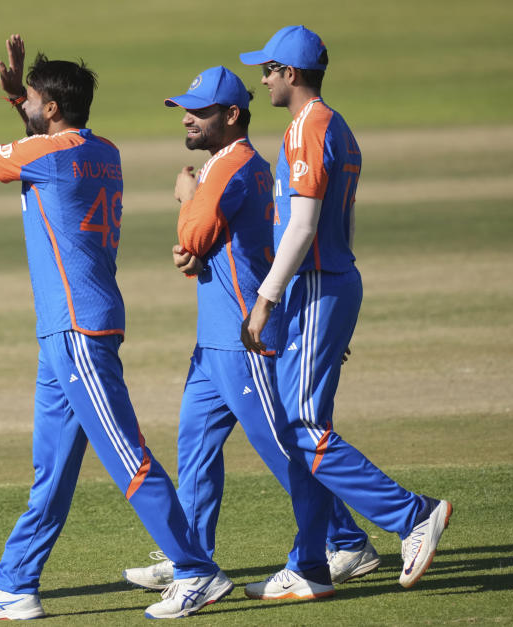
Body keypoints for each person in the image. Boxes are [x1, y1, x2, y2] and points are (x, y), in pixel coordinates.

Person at [0, 34, 232, 620]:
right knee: (54, 470)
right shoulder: (102, 151)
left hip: (78, 331)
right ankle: (16, 586)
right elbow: (46, 139)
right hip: (70, 329)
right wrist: (20, 96)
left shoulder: (45, 156)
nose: (30, 106)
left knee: (128, 458)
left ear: (53, 110)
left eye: (35, 99)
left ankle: (196, 571)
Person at [120, 66, 381, 593]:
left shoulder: (233, 165)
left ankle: (348, 541)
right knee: (195, 450)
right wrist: (197, 253)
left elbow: (195, 232)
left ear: (232, 116)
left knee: (287, 450)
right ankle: (191, 558)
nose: (189, 118)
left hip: (246, 342)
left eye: (201, 110)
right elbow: (225, 246)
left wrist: (186, 197)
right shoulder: (234, 165)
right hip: (213, 342)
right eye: (185, 109)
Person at [238, 25, 452, 600]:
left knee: (303, 429)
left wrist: (266, 300)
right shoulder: (337, 126)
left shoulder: (307, 130)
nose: (263, 80)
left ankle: (413, 515)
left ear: (292, 74)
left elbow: (303, 226)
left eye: (269, 70)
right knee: (302, 429)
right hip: (329, 286)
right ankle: (310, 565)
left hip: (313, 286)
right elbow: (339, 221)